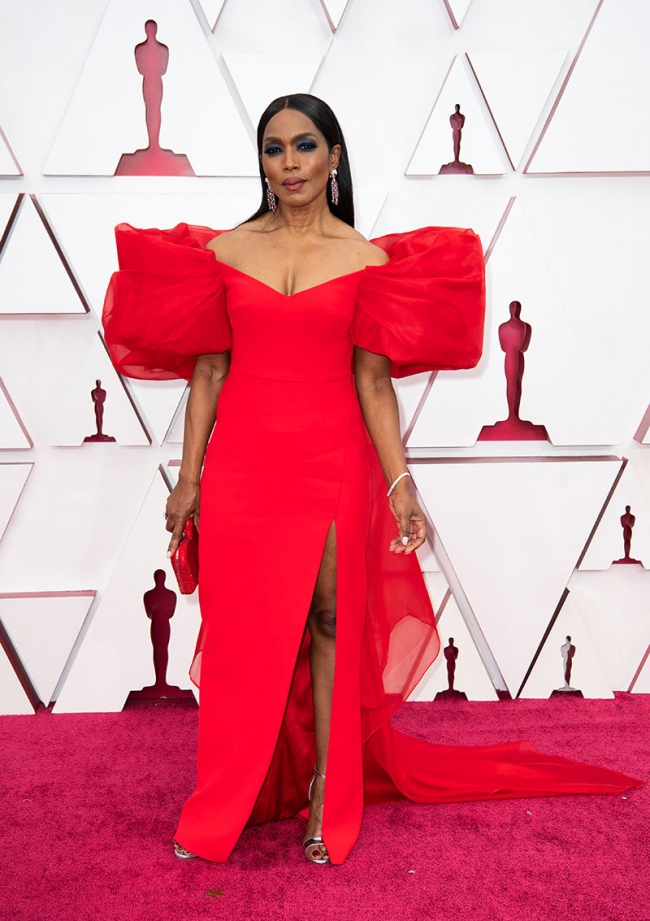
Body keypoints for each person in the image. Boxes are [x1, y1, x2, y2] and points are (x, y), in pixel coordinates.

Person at [103, 93, 641, 867]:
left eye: (305, 145)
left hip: (332, 461)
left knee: (329, 622)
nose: (289, 162)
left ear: (333, 157)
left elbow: (374, 383)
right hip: (243, 467)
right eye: (274, 148)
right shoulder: (224, 252)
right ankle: (225, 798)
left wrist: (400, 484)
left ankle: (328, 789)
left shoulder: (366, 260)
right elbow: (209, 373)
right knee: (238, 636)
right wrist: (187, 480)